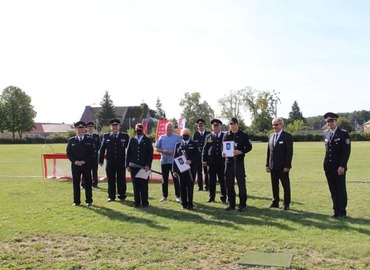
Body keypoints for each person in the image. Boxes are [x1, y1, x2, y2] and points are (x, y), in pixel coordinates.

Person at [323, 112, 351, 218]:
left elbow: (346, 152)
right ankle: (335, 211)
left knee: (340, 189)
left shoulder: (343, 134)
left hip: (339, 166)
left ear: (336, 121)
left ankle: (342, 212)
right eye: (328, 121)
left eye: (331, 121)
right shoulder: (325, 133)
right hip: (328, 166)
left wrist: (342, 165)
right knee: (333, 189)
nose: (329, 123)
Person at [223, 117, 252, 212]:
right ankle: (231, 204)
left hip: (239, 162)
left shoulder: (243, 135)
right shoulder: (226, 135)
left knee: (241, 184)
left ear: (237, 124)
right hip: (229, 162)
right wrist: (222, 153)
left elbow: (249, 147)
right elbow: (223, 148)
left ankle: (242, 204)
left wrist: (241, 151)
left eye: (234, 124)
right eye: (231, 124)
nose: (233, 126)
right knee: (229, 184)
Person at [98, 118, 130, 202]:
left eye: (116, 126)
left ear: (119, 127)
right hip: (110, 162)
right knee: (110, 179)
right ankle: (111, 196)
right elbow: (102, 148)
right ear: (110, 127)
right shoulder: (106, 136)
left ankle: (122, 195)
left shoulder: (125, 136)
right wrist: (100, 160)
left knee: (121, 179)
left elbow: (129, 149)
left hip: (121, 161)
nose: (114, 127)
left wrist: (129, 161)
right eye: (113, 126)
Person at [266, 117, 293, 211]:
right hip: (272, 166)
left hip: (283, 167)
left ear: (282, 125)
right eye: (273, 125)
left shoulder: (287, 136)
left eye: (276, 124)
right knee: (274, 185)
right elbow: (269, 152)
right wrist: (267, 164)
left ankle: (286, 204)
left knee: (285, 185)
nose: (274, 126)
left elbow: (289, 153)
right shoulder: (271, 136)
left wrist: (287, 165)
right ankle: (275, 202)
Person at [66, 121, 95, 207]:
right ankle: (76, 201)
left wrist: (84, 161)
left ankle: (89, 200)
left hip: (86, 165)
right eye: (78, 129)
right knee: (76, 183)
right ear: (76, 130)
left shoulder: (89, 140)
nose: (80, 131)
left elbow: (92, 153)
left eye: (82, 129)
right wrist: (75, 161)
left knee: (88, 183)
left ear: (85, 130)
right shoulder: (71, 141)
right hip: (75, 166)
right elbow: (69, 153)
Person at [126, 123, 153, 208]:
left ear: (143, 129)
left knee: (144, 185)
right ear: (135, 129)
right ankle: (136, 202)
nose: (139, 130)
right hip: (133, 167)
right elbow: (128, 153)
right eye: (138, 129)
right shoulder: (132, 139)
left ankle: (145, 202)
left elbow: (150, 154)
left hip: (144, 167)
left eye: (141, 129)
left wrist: (148, 165)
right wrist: (127, 165)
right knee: (136, 185)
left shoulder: (147, 140)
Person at [173, 128, 199, 210]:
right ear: (181, 135)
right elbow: (175, 158)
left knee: (190, 186)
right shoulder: (178, 145)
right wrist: (174, 170)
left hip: (191, 170)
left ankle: (190, 203)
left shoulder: (194, 144)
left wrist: (191, 161)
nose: (185, 136)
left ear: (189, 135)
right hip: (181, 170)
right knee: (182, 186)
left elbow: (198, 156)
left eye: (187, 134)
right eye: (184, 134)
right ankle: (183, 204)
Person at [155, 122, 182, 202]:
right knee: (164, 179)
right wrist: (164, 151)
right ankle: (164, 196)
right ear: (165, 128)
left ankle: (178, 196)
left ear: (173, 128)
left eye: (170, 127)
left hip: (174, 162)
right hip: (164, 161)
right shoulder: (161, 137)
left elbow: (181, 148)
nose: (169, 129)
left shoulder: (177, 137)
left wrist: (173, 151)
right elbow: (157, 148)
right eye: (168, 127)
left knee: (176, 179)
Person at [202, 118, 227, 203]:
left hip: (221, 161)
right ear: (212, 127)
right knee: (211, 180)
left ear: (220, 126)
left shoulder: (225, 135)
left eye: (217, 125)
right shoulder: (208, 136)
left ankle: (223, 197)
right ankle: (211, 197)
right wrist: (204, 160)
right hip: (211, 162)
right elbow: (205, 149)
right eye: (214, 126)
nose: (215, 127)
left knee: (222, 180)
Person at [192, 119, 210, 191]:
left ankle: (207, 186)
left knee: (206, 172)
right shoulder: (195, 135)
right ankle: (200, 186)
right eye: (199, 125)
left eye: (202, 125)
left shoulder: (208, 134)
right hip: (198, 156)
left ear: (204, 126)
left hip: (206, 156)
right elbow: (193, 146)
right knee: (199, 172)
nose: (200, 127)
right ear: (197, 126)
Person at [85, 121, 101, 188]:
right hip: (86, 156)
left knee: (94, 170)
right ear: (86, 128)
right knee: (86, 170)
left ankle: (95, 183)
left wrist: (95, 151)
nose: (90, 128)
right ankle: (85, 183)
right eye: (89, 127)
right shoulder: (84, 136)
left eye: (91, 127)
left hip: (94, 156)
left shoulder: (96, 136)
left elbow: (99, 145)